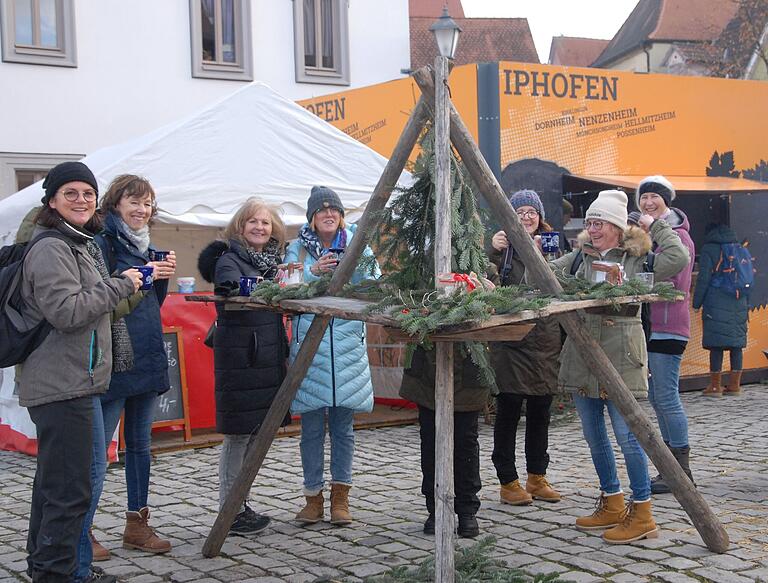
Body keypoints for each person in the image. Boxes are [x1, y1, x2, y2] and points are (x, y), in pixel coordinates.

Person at [18, 161, 141, 583]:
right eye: (70, 192)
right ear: (52, 200)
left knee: (56, 487)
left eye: (88, 193)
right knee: (70, 491)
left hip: (73, 381)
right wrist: (122, 283)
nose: (81, 200)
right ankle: (59, 574)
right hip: (62, 384)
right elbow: (68, 312)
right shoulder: (52, 247)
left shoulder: (74, 244)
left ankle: (49, 569)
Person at [551, 189, 689, 544]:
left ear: (616, 226)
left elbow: (678, 257)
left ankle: (641, 511)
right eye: (590, 223)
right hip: (584, 354)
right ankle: (611, 502)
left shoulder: (638, 255)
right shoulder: (580, 256)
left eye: (599, 223)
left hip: (621, 356)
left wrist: (654, 225)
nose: (593, 229)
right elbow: (544, 275)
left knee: (629, 436)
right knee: (593, 434)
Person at [87, 175, 176, 564]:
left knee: (140, 446)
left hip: (147, 355)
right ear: (115, 204)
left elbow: (152, 303)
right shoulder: (101, 244)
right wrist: (140, 279)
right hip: (114, 359)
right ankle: (81, 531)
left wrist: (162, 277)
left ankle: (136, 524)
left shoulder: (150, 249)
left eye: (147, 204)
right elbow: (101, 300)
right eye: (134, 202)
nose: (141, 210)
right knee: (99, 450)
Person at [286, 186, 379, 526]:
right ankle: (313, 498)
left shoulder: (358, 244)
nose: (328, 214)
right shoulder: (296, 247)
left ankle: (342, 498)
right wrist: (313, 273)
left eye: (334, 210)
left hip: (347, 345)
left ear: (341, 216)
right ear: (312, 217)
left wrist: (354, 274)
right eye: (322, 210)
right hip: (310, 348)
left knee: (344, 428)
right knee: (311, 428)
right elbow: (283, 286)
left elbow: (375, 284)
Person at [197, 198, 289, 536]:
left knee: (254, 434)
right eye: (253, 222)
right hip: (242, 357)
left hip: (263, 356)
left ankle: (241, 503)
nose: (260, 228)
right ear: (240, 226)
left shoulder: (270, 263)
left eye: (265, 223)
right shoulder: (229, 259)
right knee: (238, 435)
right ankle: (229, 508)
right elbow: (232, 291)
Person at [489, 189, 562, 506]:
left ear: (541, 217)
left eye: (532, 212)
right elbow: (483, 279)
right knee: (508, 412)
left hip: (545, 339)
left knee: (540, 412)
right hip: (512, 340)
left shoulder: (552, 245)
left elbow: (563, 282)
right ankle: (508, 481)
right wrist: (490, 249)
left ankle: (537, 476)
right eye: (520, 212)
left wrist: (543, 255)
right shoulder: (502, 249)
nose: (527, 217)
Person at [635, 176, 696, 494]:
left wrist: (640, 279)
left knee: (668, 397)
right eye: (643, 198)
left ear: (666, 201)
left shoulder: (678, 237)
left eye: (654, 197)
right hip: (652, 326)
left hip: (669, 326)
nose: (648, 202)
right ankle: (671, 468)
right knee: (658, 397)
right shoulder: (650, 235)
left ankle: (681, 470)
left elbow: (669, 275)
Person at [399, 345, 489, 539]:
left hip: (469, 365)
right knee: (431, 441)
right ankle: (436, 508)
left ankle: (467, 510)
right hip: (427, 371)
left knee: (466, 442)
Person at [692, 223, 750, 396]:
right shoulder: (739, 247)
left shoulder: (709, 248)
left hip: (716, 300)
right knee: (736, 345)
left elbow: (703, 278)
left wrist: (696, 303)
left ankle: (715, 387)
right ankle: (734, 386)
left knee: (716, 345)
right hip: (739, 301)